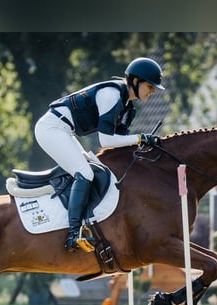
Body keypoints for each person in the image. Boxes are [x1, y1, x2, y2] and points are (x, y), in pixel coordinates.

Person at [34, 57, 165, 252]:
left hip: (64, 130)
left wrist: (143, 148)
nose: (153, 91)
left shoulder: (128, 109)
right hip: (51, 128)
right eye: (150, 86)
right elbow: (106, 141)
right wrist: (141, 138)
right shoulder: (111, 94)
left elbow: (119, 147)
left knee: (96, 169)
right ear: (135, 81)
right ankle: (73, 234)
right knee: (85, 173)